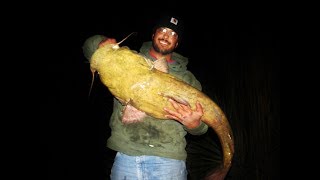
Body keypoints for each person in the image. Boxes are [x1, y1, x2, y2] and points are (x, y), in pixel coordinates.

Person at [83, 15, 208, 180]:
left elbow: (203, 126)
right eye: (162, 30)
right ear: (153, 34)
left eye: (173, 34)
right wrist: (99, 43)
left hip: (169, 161)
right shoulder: (127, 57)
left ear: (177, 43)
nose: (166, 35)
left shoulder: (188, 79)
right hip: (126, 156)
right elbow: (89, 49)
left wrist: (195, 125)